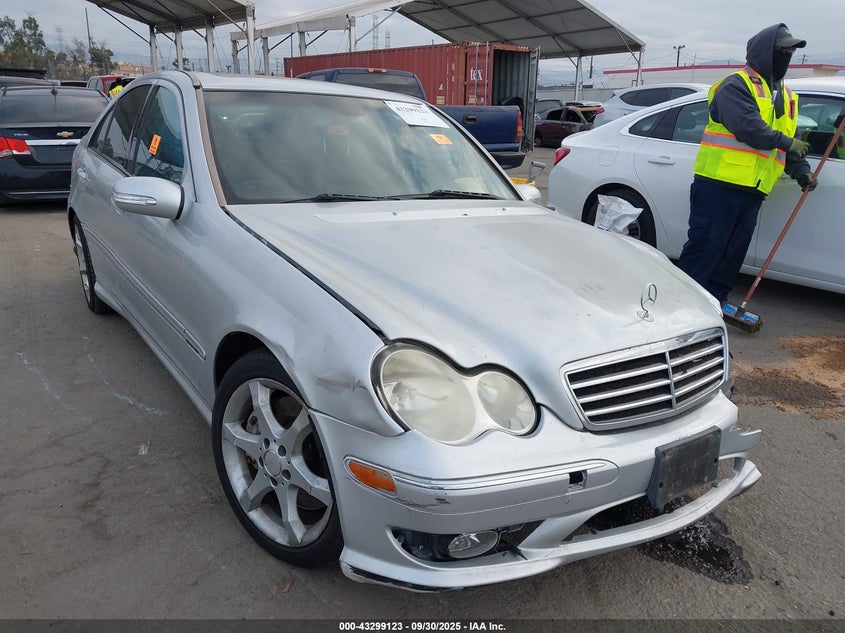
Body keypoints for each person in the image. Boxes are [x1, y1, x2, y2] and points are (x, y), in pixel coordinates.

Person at [677, 23, 816, 308]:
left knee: (733, 252)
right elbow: (748, 127)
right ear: (765, 52)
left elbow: (789, 138)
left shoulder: (787, 96)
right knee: (706, 249)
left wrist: (800, 170)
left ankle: (717, 300)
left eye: (790, 52)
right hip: (719, 184)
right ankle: (684, 305)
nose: (787, 57)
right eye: (783, 51)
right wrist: (788, 143)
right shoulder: (735, 85)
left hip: (754, 189)